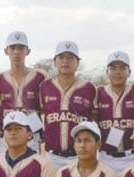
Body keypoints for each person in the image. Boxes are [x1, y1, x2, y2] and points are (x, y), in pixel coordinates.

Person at [39, 41, 97, 169]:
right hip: (53, 156)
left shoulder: (89, 87)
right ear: (54, 62)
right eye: (61, 57)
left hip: (81, 155)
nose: (65, 61)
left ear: (78, 63)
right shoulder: (45, 86)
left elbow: (97, 117)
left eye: (70, 58)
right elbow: (37, 112)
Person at [0, 31, 48, 152]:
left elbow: (48, 107)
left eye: (21, 48)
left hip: (32, 137)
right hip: (8, 137)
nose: (16, 52)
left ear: (28, 51)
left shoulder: (40, 76)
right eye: (12, 48)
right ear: (6, 51)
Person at [95, 50, 134, 173]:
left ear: (129, 72)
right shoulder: (98, 92)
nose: (118, 72)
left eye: (122, 68)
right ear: (107, 72)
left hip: (133, 156)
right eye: (113, 68)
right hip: (106, 157)